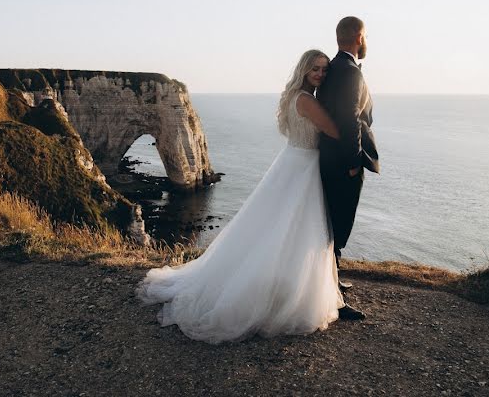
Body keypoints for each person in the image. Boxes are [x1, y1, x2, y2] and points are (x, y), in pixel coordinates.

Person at [137, 49, 354, 344]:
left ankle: (280, 285)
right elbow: (335, 130)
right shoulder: (307, 100)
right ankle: (282, 295)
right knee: (296, 230)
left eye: (324, 70)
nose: (320, 74)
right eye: (315, 69)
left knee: (276, 230)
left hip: (291, 162)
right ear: (304, 70)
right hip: (302, 168)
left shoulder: (293, 97)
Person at [316, 16, 380, 319]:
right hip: (344, 163)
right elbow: (350, 118)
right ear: (358, 36)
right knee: (338, 229)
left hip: (328, 158)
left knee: (331, 225)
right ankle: (335, 300)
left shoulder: (332, 68)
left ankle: (332, 281)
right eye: (366, 35)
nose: (367, 40)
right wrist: (354, 163)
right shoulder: (348, 70)